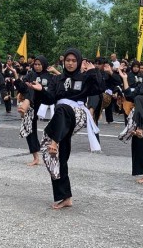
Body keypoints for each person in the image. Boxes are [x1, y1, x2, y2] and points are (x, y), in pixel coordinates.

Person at [29, 48, 104, 210]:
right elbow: (50, 98)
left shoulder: (84, 77)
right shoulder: (58, 79)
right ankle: (65, 196)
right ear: (64, 62)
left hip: (77, 113)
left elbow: (99, 88)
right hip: (61, 120)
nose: (70, 63)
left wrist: (93, 72)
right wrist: (41, 90)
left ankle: (54, 142)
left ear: (78, 62)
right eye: (67, 60)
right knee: (56, 157)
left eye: (73, 61)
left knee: (62, 110)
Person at [15, 55, 53, 166]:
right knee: (29, 130)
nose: (37, 67)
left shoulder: (50, 76)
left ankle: (25, 105)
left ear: (44, 65)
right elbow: (22, 87)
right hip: (33, 105)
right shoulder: (31, 74)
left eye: (39, 64)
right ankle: (36, 157)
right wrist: (16, 77)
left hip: (46, 103)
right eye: (35, 64)